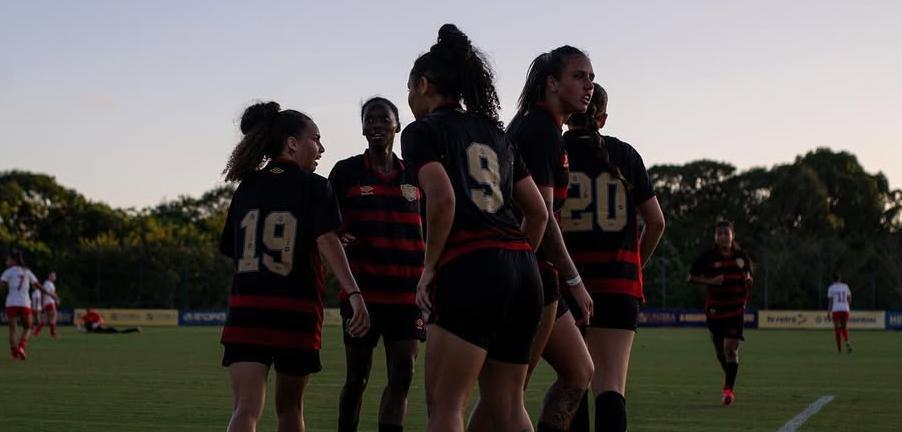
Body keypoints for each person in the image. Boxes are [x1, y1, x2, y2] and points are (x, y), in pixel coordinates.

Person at [401, 24, 549, 432]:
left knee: (447, 408)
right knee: (508, 408)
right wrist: (513, 264)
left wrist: (429, 269)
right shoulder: (495, 133)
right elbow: (537, 214)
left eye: (409, 88)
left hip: (471, 266)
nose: (408, 98)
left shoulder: (422, 131)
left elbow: (442, 197)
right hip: (523, 272)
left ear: (425, 85)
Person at [219, 101, 370, 432]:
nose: (321, 148)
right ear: (292, 143)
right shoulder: (315, 186)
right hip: (295, 312)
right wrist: (354, 292)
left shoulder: (247, 188)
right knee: (290, 410)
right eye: (315, 138)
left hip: (247, 311)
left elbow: (235, 248)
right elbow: (326, 240)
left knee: (245, 410)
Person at [474, 45, 595, 432]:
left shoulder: (544, 129)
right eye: (579, 76)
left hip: (538, 271)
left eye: (591, 78)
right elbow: (542, 216)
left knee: (578, 371)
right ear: (552, 83)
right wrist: (573, 279)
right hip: (530, 272)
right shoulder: (539, 129)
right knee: (507, 396)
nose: (588, 85)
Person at [561, 84, 665, 431]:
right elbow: (656, 221)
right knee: (611, 388)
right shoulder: (626, 155)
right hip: (619, 284)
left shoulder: (554, 150)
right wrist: (636, 263)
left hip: (569, 282)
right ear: (602, 118)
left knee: (574, 381)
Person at [329, 97, 426, 432]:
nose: (376, 125)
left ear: (396, 125)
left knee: (403, 375)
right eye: (369, 119)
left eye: (383, 118)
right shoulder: (346, 172)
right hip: (362, 295)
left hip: (407, 295)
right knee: (357, 377)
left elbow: (436, 219)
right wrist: (338, 234)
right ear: (362, 128)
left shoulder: (415, 173)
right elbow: (325, 224)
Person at [689, 221, 752, 406]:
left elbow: (748, 277)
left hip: (736, 309)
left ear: (733, 235)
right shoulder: (708, 257)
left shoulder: (741, 257)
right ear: (715, 237)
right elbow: (691, 277)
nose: (723, 236)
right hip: (715, 310)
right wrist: (711, 281)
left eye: (726, 233)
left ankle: (728, 390)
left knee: (730, 348)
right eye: (720, 234)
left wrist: (749, 282)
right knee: (720, 350)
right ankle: (729, 374)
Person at [1, 250, 57, 360]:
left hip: (11, 303)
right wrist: (51, 294)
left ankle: (14, 353)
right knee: (28, 328)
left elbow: (1, 286)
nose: (6, 261)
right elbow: (38, 286)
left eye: (8, 259)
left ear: (14, 260)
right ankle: (21, 347)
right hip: (24, 303)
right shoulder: (27, 272)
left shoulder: (7, 272)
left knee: (12, 330)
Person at [827, 272, 853, 353]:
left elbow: (830, 302)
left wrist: (828, 312)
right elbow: (849, 298)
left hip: (836, 310)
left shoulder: (831, 288)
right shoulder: (845, 286)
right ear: (840, 278)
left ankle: (839, 349)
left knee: (837, 328)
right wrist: (847, 306)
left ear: (833, 279)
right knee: (844, 327)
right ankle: (847, 341)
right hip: (845, 309)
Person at [34, 272, 60, 338]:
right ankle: (53, 333)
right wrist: (56, 298)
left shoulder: (49, 284)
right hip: (49, 302)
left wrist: (56, 298)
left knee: (45, 319)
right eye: (53, 276)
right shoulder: (48, 283)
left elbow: (51, 292)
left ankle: (37, 331)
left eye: (54, 276)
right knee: (53, 317)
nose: (54, 277)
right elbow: (49, 293)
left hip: (48, 302)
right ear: (49, 276)